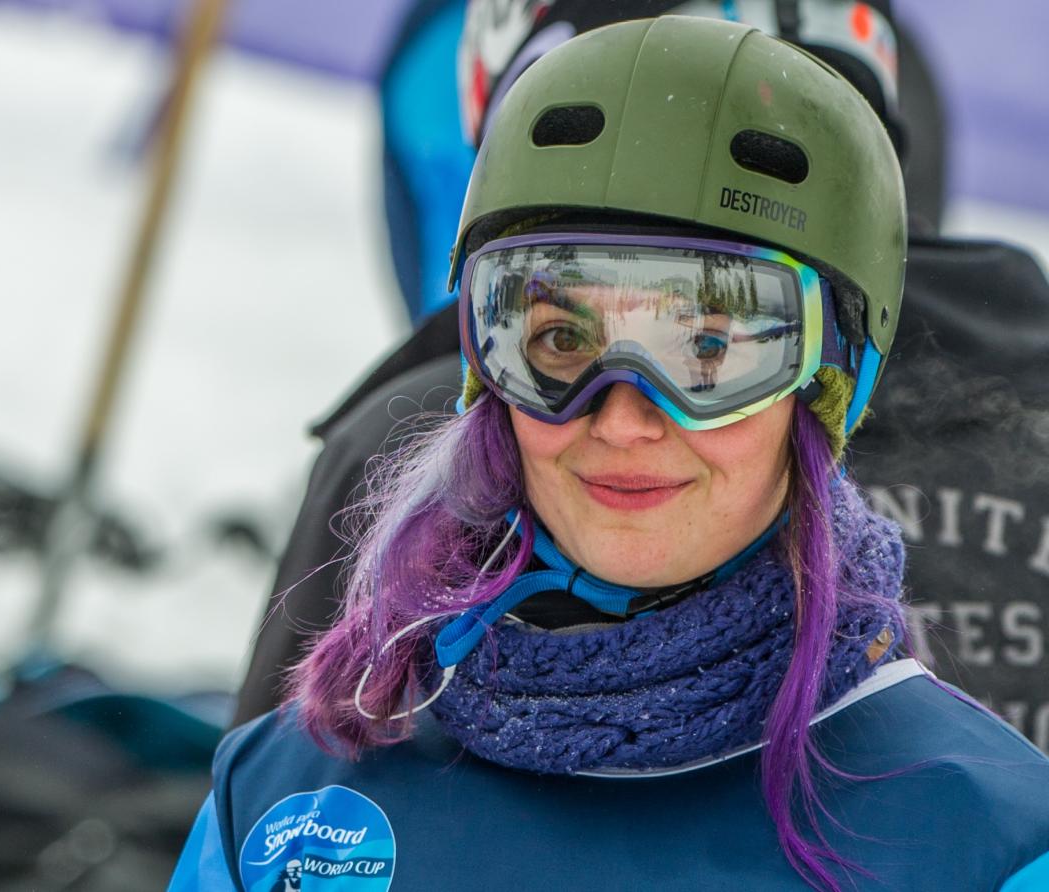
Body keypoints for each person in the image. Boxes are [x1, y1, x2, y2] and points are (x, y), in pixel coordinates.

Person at [175, 18, 1049, 890]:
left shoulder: (984, 840)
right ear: (485, 365)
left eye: (708, 349)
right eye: (558, 340)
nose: (623, 418)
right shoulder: (291, 803)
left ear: (829, 379)